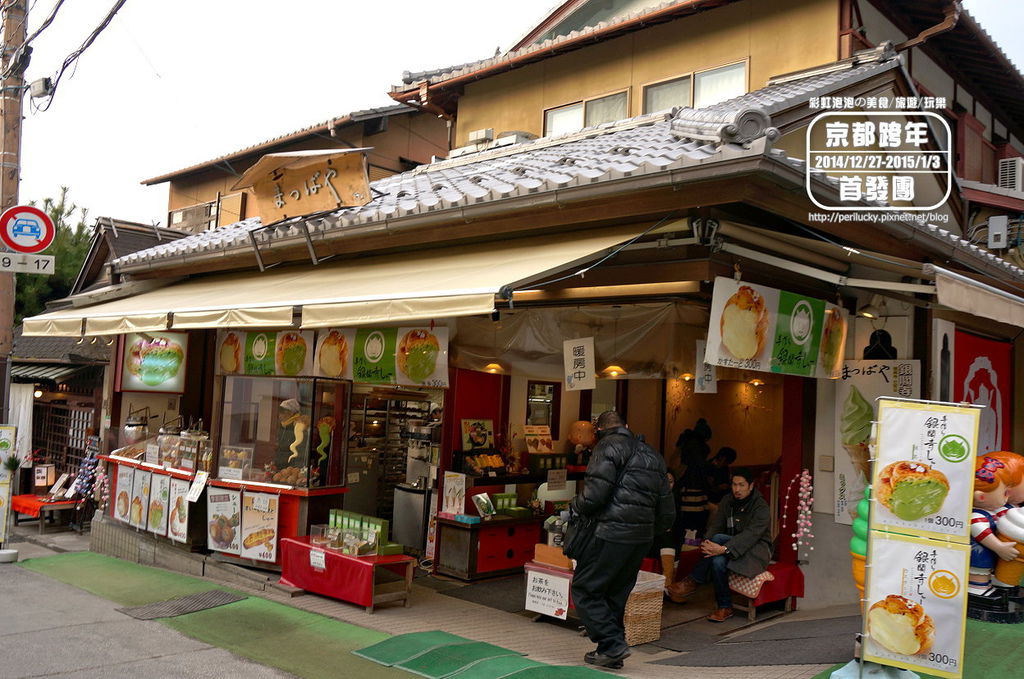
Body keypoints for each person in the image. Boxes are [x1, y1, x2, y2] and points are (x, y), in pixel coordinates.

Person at [569, 410, 674, 670]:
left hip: (610, 532)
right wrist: (651, 531)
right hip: (641, 537)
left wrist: (576, 505)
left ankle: (612, 643)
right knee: (616, 593)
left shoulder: (606, 447)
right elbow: (667, 508)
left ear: (599, 432)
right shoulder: (653, 454)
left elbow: (594, 497)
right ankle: (609, 652)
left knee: (586, 588)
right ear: (626, 426)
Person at [666, 468, 773, 622]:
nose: (737, 489)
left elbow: (751, 535)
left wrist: (723, 548)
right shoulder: (727, 501)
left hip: (754, 550)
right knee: (717, 560)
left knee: (719, 539)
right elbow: (716, 525)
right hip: (730, 547)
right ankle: (725, 607)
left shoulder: (760, 506)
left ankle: (693, 581)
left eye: (741, 485)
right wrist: (708, 543)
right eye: (734, 485)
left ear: (751, 486)